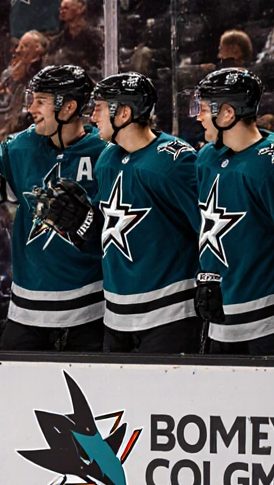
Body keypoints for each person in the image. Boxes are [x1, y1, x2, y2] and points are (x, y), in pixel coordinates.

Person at [41, 73, 201, 353]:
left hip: (170, 312)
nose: (92, 117)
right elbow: (106, 231)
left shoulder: (175, 160)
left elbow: (206, 230)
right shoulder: (108, 158)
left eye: (99, 108)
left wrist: (212, 280)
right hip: (116, 312)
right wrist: (81, 223)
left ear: (124, 112)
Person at [191, 69, 274, 355]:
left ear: (228, 113)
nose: (198, 116)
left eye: (203, 108)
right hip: (224, 322)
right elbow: (210, 231)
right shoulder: (206, 158)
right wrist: (207, 274)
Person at [0, 66, 107, 351]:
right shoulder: (21, 147)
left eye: (40, 101)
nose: (31, 109)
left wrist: (89, 223)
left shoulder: (104, 153)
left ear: (69, 107)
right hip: (26, 308)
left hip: (91, 308)